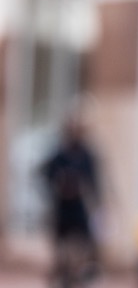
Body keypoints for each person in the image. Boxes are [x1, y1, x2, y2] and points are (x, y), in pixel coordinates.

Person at [40, 112, 102, 287]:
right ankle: (63, 273)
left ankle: (79, 273)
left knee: (82, 243)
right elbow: (46, 175)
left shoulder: (85, 154)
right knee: (62, 247)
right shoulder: (58, 154)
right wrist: (59, 183)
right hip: (62, 207)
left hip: (78, 206)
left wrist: (98, 203)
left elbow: (93, 179)